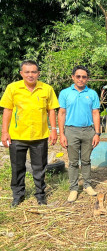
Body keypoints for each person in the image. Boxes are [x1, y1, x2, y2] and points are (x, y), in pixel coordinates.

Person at [0, 60, 60, 207]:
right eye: (27, 72)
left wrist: (54, 130)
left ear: (38, 73)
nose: (30, 75)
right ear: (21, 73)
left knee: (39, 168)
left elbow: (51, 110)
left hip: (39, 136)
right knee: (17, 167)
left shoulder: (46, 89)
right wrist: (4, 132)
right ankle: (18, 195)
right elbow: (7, 110)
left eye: (33, 72)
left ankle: (40, 195)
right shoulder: (13, 88)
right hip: (17, 136)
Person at [58, 65, 101, 202]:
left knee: (87, 160)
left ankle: (87, 184)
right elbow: (62, 113)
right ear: (73, 77)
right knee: (73, 161)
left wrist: (97, 133)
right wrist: (62, 134)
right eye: (78, 76)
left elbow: (95, 113)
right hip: (71, 130)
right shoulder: (65, 93)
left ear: (87, 79)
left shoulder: (92, 93)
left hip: (88, 131)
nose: (81, 79)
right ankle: (74, 188)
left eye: (84, 77)